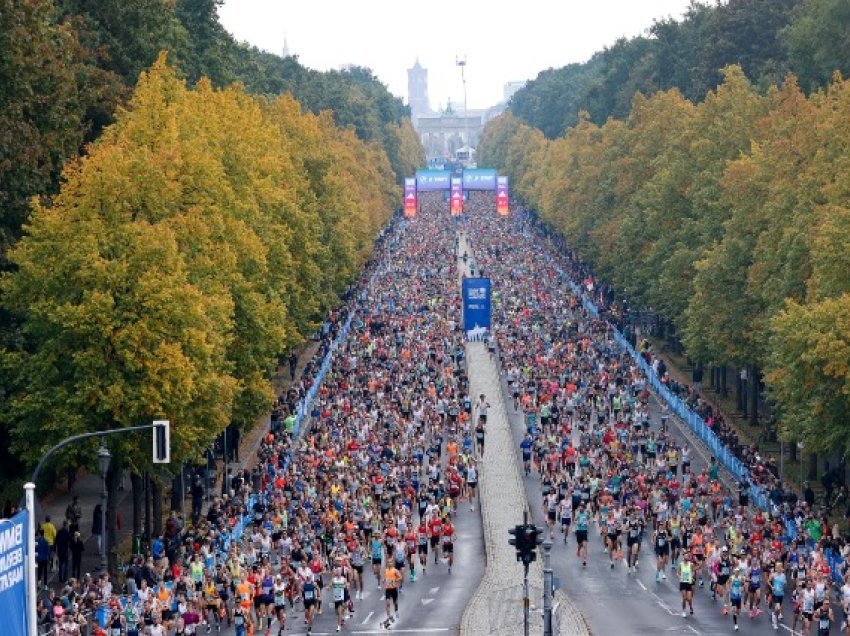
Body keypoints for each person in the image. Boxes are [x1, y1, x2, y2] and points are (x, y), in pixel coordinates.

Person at [381, 562, 402, 629]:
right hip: (388, 589)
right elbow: (384, 578)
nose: (389, 563)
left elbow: (400, 577)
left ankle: (396, 610)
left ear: (392, 564)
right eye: (388, 562)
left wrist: (396, 580)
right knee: (387, 603)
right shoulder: (386, 570)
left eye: (391, 562)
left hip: (393, 589)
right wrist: (384, 580)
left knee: (395, 602)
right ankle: (389, 615)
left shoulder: (395, 570)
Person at [678, 552, 695, 617]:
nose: (686, 557)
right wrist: (679, 577)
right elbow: (678, 572)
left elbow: (693, 571)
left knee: (689, 598)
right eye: (685, 556)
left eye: (687, 556)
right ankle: (684, 611)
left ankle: (691, 607)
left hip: (689, 583)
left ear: (688, 558)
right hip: (682, 582)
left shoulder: (691, 564)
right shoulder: (681, 564)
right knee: (684, 598)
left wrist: (692, 576)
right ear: (683, 557)